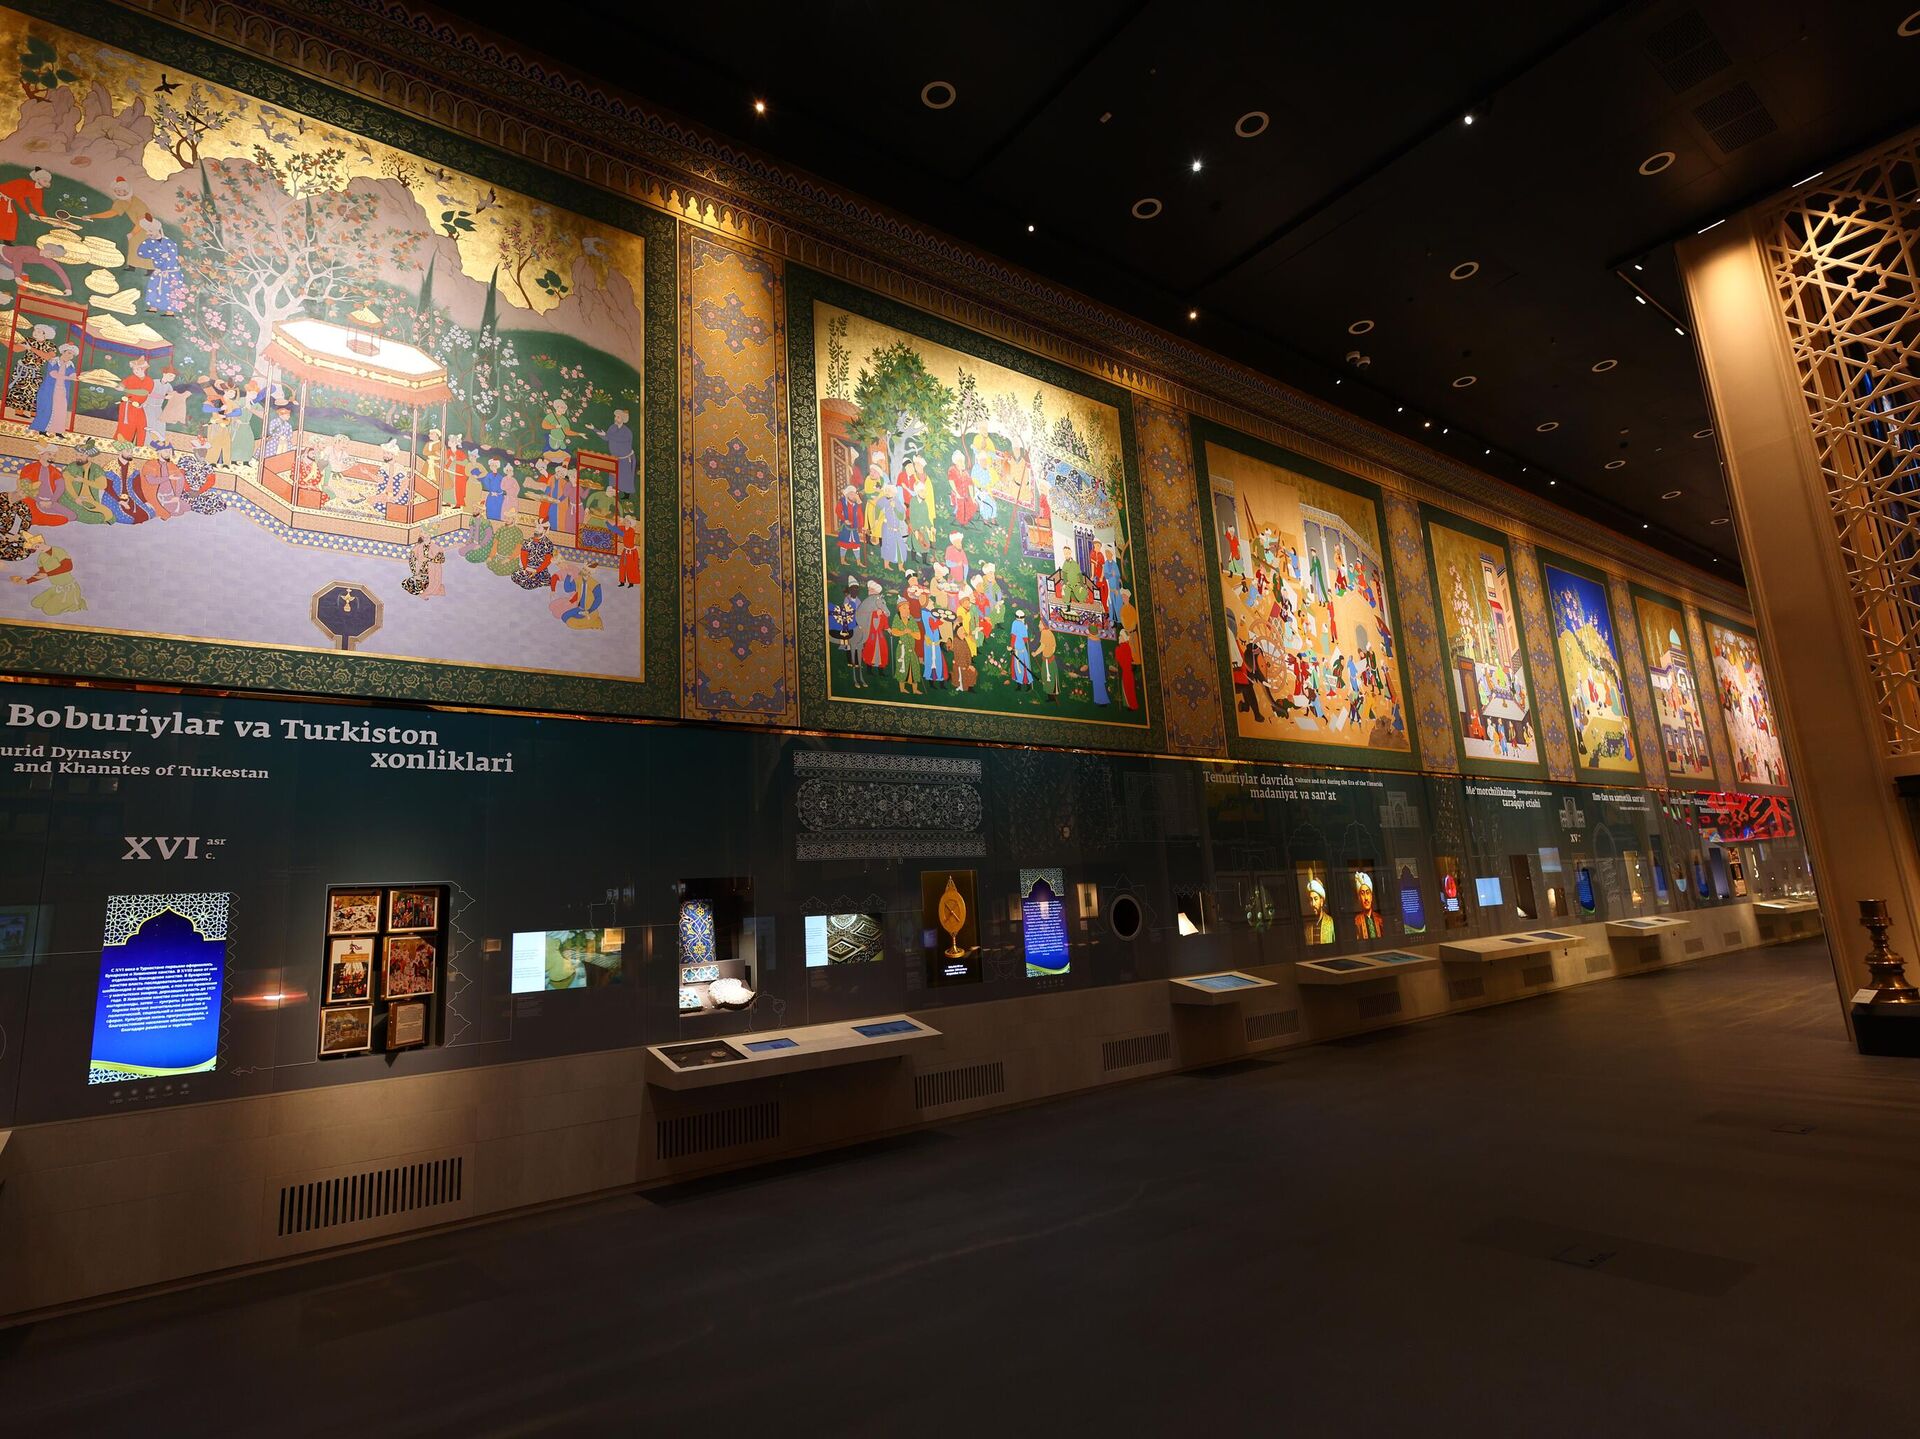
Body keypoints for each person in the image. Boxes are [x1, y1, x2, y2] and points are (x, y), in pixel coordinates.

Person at [78, 175, 151, 271]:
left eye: (119, 191)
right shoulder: (121, 202)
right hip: (137, 226)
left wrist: (133, 233)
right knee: (133, 244)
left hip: (147, 227)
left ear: (126, 190)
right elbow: (112, 212)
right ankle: (132, 266)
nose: (118, 193)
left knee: (146, 247)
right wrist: (91, 216)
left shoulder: (138, 203)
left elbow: (143, 221)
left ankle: (150, 268)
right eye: (116, 191)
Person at [9, 531, 84, 615]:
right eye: (35, 549)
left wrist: (48, 574)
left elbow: (68, 567)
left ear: (41, 541)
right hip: (56, 588)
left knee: (48, 610)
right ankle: (59, 600)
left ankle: (74, 604)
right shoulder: (41, 557)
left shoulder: (58, 550)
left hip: (69, 588)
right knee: (35, 603)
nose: (38, 549)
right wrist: (27, 581)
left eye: (37, 546)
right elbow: (41, 573)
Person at [135, 213, 186, 315]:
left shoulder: (169, 242)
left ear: (157, 230)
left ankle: (170, 311)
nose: (148, 233)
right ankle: (153, 307)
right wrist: (157, 255)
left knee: (170, 290)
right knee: (154, 288)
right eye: (147, 231)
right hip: (158, 271)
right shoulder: (148, 242)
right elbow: (140, 252)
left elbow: (173, 257)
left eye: (150, 231)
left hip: (171, 272)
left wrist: (165, 268)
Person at [15, 443, 68, 526]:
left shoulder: (55, 471)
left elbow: (61, 487)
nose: (52, 457)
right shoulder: (29, 468)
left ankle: (39, 517)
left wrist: (52, 501)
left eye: (54, 455)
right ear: (41, 455)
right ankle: (35, 518)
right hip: (32, 500)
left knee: (71, 516)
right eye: (49, 454)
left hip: (50, 501)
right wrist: (39, 501)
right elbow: (25, 487)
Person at [6, 324, 53, 416]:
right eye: (35, 330)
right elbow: (16, 349)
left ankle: (34, 413)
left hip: (36, 371)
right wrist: (3, 338)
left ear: (45, 334)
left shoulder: (50, 345)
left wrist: (31, 348)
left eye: (39, 331)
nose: (35, 333)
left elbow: (48, 357)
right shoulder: (29, 340)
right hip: (23, 370)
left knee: (36, 392)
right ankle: (19, 411)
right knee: (20, 390)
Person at [31, 342, 77, 435]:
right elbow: (53, 374)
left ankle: (58, 431)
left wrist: (76, 376)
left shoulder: (70, 364)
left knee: (61, 410)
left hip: (63, 390)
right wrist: (68, 378)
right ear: (63, 352)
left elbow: (73, 374)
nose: (70, 356)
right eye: (69, 353)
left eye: (72, 354)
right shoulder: (54, 361)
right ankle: (42, 430)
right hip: (50, 389)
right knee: (47, 408)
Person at [0, 165, 50, 245]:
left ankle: (7, 241)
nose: (47, 183)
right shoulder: (23, 183)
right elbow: (19, 198)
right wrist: (29, 213)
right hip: (1, 196)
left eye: (48, 181)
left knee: (12, 220)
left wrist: (47, 219)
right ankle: (6, 241)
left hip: (7, 200)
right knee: (5, 217)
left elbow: (37, 206)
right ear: (38, 179)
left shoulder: (38, 191)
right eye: (45, 181)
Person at [113, 357, 153, 444]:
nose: (135, 371)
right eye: (134, 369)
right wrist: (119, 386)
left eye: (138, 369)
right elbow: (122, 384)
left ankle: (138, 446)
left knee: (141, 426)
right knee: (124, 427)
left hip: (138, 407)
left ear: (143, 369)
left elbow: (143, 392)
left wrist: (125, 390)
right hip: (126, 406)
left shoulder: (148, 380)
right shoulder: (131, 378)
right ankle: (121, 445)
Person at [855, 579, 889, 675]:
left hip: (880, 634)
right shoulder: (867, 602)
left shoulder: (879, 600)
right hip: (870, 632)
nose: (869, 591)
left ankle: (881, 671)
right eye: (869, 590)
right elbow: (861, 613)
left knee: (882, 650)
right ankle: (869, 670)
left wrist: (887, 628)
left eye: (871, 590)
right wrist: (874, 613)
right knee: (869, 649)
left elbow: (885, 616)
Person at [890, 598, 923, 693]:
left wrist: (910, 632)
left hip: (911, 649)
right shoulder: (897, 617)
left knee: (914, 668)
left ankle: (915, 689)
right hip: (902, 650)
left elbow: (918, 636)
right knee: (902, 668)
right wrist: (903, 632)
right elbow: (894, 631)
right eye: (904, 608)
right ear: (899, 608)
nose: (907, 610)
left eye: (908, 608)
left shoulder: (911, 618)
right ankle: (902, 689)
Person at [604, 408, 635, 503]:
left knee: (625, 476)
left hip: (625, 459)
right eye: (615, 416)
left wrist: (607, 435)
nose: (615, 418)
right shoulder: (612, 427)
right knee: (613, 476)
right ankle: (613, 492)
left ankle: (626, 496)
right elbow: (606, 438)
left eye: (618, 417)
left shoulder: (627, 432)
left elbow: (619, 439)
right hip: (615, 458)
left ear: (623, 419)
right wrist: (594, 429)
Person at [144, 366, 180, 446]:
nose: (172, 378)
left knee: (161, 425)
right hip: (148, 407)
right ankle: (147, 444)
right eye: (170, 375)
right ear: (164, 374)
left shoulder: (168, 386)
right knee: (149, 425)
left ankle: (159, 445)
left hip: (158, 408)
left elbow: (172, 395)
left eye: (173, 377)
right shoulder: (154, 382)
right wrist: (164, 397)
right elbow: (148, 393)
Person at [614, 505, 641, 588]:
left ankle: (631, 583)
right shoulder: (623, 527)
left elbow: (624, 535)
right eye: (625, 521)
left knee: (631, 567)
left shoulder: (631, 530)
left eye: (628, 522)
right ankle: (622, 582)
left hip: (632, 552)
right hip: (625, 551)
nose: (626, 522)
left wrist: (619, 531)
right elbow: (615, 528)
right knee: (622, 566)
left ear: (630, 523)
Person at [1353, 872, 1383, 940]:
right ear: (1359, 898)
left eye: (1368, 893)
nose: (1366, 898)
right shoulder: (1356, 921)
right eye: (1362, 893)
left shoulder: (1380, 919)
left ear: (1371, 896)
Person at [1303, 879, 1334, 946]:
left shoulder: (1331, 923)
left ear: (1321, 901)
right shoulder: (1307, 927)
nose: (1313, 904)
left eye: (1316, 899)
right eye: (1311, 900)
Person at [1115, 625, 1139, 709]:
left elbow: (1119, 658)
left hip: (1126, 672)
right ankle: (1131, 705)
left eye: (1120, 636)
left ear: (1123, 638)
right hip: (1128, 672)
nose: (1119, 638)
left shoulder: (1121, 648)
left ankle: (1132, 705)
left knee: (1128, 689)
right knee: (1129, 689)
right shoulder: (1128, 647)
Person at [1009, 608, 1033, 688]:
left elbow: (1013, 636)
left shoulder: (1014, 623)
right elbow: (1025, 639)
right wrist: (1025, 629)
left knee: (1018, 667)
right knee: (1024, 666)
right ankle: (1028, 684)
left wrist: (1011, 646)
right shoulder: (1022, 625)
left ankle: (1020, 684)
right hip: (1021, 650)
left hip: (1017, 649)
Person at [1037, 623, 1060, 702]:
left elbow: (1042, 646)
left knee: (1047, 677)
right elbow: (1054, 647)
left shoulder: (1044, 633)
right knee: (1051, 677)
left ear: (1044, 625)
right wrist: (1050, 653)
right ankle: (1052, 695)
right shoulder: (1050, 632)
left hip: (1047, 660)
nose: (1038, 625)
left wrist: (1035, 653)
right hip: (1050, 659)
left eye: (1040, 624)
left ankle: (1051, 696)